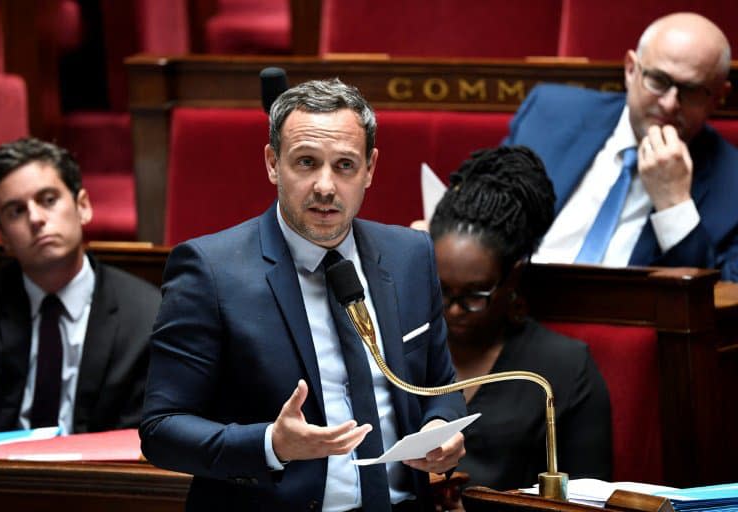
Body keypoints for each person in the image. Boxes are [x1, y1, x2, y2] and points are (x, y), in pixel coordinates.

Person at [140, 78, 467, 512]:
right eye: (307, 162)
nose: (326, 186)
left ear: (370, 168)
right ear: (273, 163)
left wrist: (443, 426)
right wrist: (271, 444)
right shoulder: (210, 270)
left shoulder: (409, 255)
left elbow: (438, 384)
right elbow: (161, 432)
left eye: (345, 165)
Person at [429, 146, 612, 492]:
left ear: (512, 278)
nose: (452, 310)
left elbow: (589, 500)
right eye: (440, 290)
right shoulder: (404, 350)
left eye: (474, 296)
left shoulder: (564, 369)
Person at [504, 12, 738, 281]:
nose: (670, 104)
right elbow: (479, 213)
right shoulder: (550, 111)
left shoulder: (732, 185)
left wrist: (674, 205)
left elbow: (718, 300)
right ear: (630, 70)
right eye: (658, 81)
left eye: (692, 90)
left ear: (718, 96)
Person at [0, 137, 160, 435]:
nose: (35, 219)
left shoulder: (145, 315)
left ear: (82, 206)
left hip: (95, 479)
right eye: (15, 211)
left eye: (48, 200)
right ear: (3, 235)